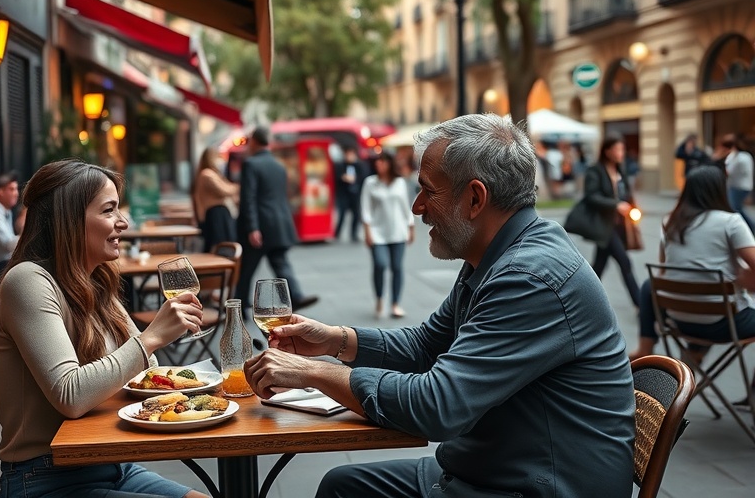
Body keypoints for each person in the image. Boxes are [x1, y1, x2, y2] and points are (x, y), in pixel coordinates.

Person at [243, 114, 634, 498]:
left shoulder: (529, 278)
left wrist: (312, 372)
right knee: (343, 485)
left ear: (475, 198)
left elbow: (437, 405)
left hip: (532, 484)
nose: (417, 207)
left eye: (428, 191)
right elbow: (427, 346)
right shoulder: (497, 255)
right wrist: (335, 340)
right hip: (490, 468)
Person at [0, 160, 209, 498]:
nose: (123, 222)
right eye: (109, 210)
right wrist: (151, 337)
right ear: (70, 220)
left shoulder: (96, 280)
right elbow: (71, 396)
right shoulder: (27, 281)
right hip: (46, 478)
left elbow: (146, 371)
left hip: (111, 463)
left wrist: (149, 346)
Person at [629, 165, 755, 367]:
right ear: (719, 190)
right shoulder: (731, 221)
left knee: (649, 284)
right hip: (724, 324)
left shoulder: (670, 221)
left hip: (679, 320)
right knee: (719, 307)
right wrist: (741, 278)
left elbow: (664, 271)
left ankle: (672, 358)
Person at [235, 126, 318, 311]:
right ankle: (295, 296)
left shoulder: (250, 164)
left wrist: (252, 227)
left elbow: (249, 199)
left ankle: (238, 309)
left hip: (260, 227)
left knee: (246, 270)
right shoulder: (279, 166)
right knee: (280, 263)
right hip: (279, 225)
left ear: (255, 142)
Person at [583, 133, 642, 307]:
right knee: (625, 262)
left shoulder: (620, 169)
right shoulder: (596, 170)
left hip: (619, 226)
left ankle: (583, 297)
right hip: (604, 225)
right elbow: (591, 196)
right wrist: (616, 205)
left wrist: (633, 208)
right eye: (617, 149)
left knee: (599, 265)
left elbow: (627, 194)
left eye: (622, 149)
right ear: (607, 151)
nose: (621, 152)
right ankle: (640, 304)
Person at [360, 151, 414, 320]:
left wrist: (410, 226)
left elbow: (406, 206)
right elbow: (365, 209)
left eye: (382, 161)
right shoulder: (370, 183)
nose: (379, 164)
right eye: (377, 162)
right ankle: (379, 298)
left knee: (397, 267)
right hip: (378, 233)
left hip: (398, 232)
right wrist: (367, 231)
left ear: (390, 164)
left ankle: (395, 303)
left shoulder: (400, 183)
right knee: (380, 264)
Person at [191, 146, 238, 251]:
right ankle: (218, 266)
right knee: (218, 246)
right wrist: (237, 187)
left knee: (219, 245)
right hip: (216, 215)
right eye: (218, 157)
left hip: (216, 214)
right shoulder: (207, 174)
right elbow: (224, 190)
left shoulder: (207, 173)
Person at [718, 133, 755, 233]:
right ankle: (750, 227)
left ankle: (750, 227)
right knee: (737, 208)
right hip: (740, 186)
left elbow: (729, 171)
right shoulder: (743, 156)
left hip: (739, 186)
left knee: (734, 208)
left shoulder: (740, 157)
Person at [333, 145, 368, 242]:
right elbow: (336, 177)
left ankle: (354, 233)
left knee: (356, 214)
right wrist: (343, 177)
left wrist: (355, 179)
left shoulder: (360, 165)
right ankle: (337, 233)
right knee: (342, 214)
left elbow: (364, 177)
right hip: (344, 193)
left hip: (356, 193)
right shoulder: (340, 165)